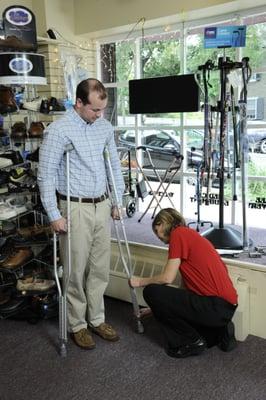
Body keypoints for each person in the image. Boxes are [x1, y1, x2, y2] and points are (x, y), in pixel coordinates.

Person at [38, 78, 125, 350]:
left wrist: (118, 200)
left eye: (103, 110)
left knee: (100, 268)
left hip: (102, 204)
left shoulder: (104, 127)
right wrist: (53, 213)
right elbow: (46, 175)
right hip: (74, 207)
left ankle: (97, 319)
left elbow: (115, 166)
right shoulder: (59, 131)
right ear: (78, 103)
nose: (99, 116)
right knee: (75, 270)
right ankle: (78, 324)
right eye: (94, 110)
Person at [130, 208, 238, 358]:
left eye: (156, 230)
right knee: (204, 333)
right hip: (225, 307)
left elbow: (167, 278)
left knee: (151, 291)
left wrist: (140, 281)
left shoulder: (178, 235)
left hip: (214, 306)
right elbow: (184, 288)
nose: (157, 236)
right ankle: (219, 331)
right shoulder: (191, 235)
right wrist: (154, 308)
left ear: (163, 223)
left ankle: (191, 342)